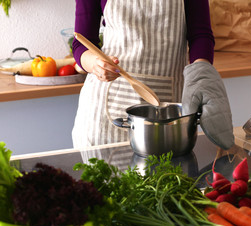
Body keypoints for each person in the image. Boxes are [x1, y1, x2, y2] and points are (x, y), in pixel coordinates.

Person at [72, 0, 234, 151]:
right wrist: (95, 64)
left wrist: (201, 73)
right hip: (104, 115)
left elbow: (200, 34)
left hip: (168, 111)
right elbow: (81, 42)